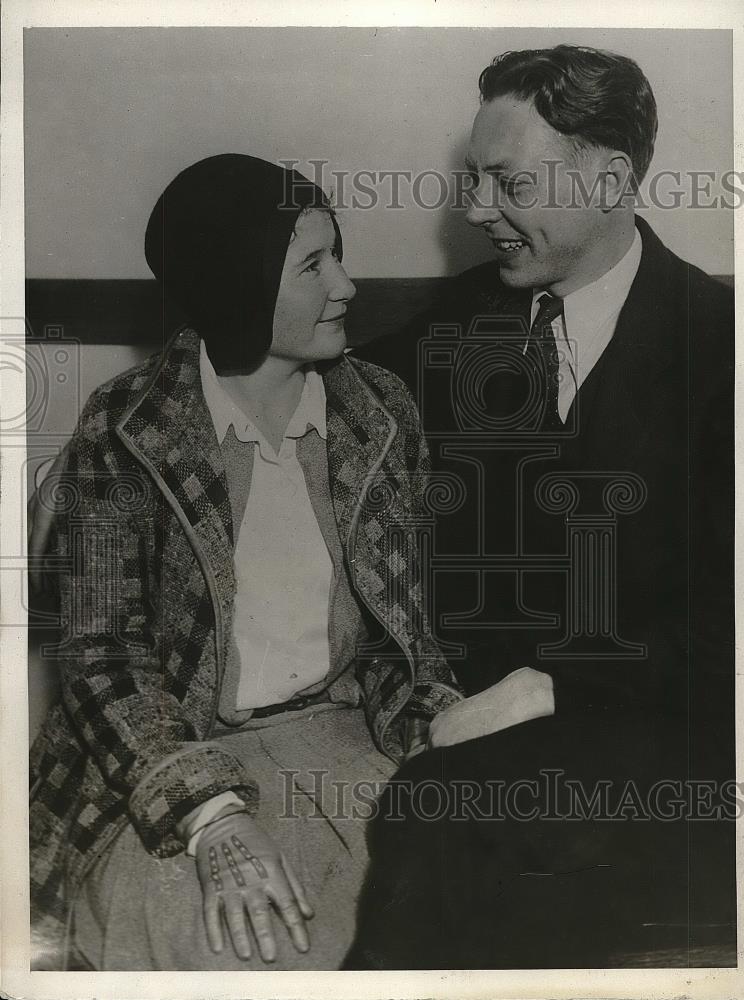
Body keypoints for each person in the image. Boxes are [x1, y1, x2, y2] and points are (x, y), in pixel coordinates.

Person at [347, 45, 735, 968]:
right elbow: (329, 391)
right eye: (474, 179)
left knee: (442, 817)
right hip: (473, 724)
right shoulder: (460, 326)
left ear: (607, 183)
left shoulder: (725, 356)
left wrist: (549, 686)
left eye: (505, 182)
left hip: (673, 744)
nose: (476, 210)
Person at [28, 153, 463, 971]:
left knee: (437, 929)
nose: (347, 287)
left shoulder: (382, 413)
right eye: (312, 264)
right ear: (239, 282)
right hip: (168, 763)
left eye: (339, 253)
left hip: (349, 746)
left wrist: (451, 730)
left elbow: (406, 640)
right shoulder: (124, 428)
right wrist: (214, 819)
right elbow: (102, 658)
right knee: (243, 950)